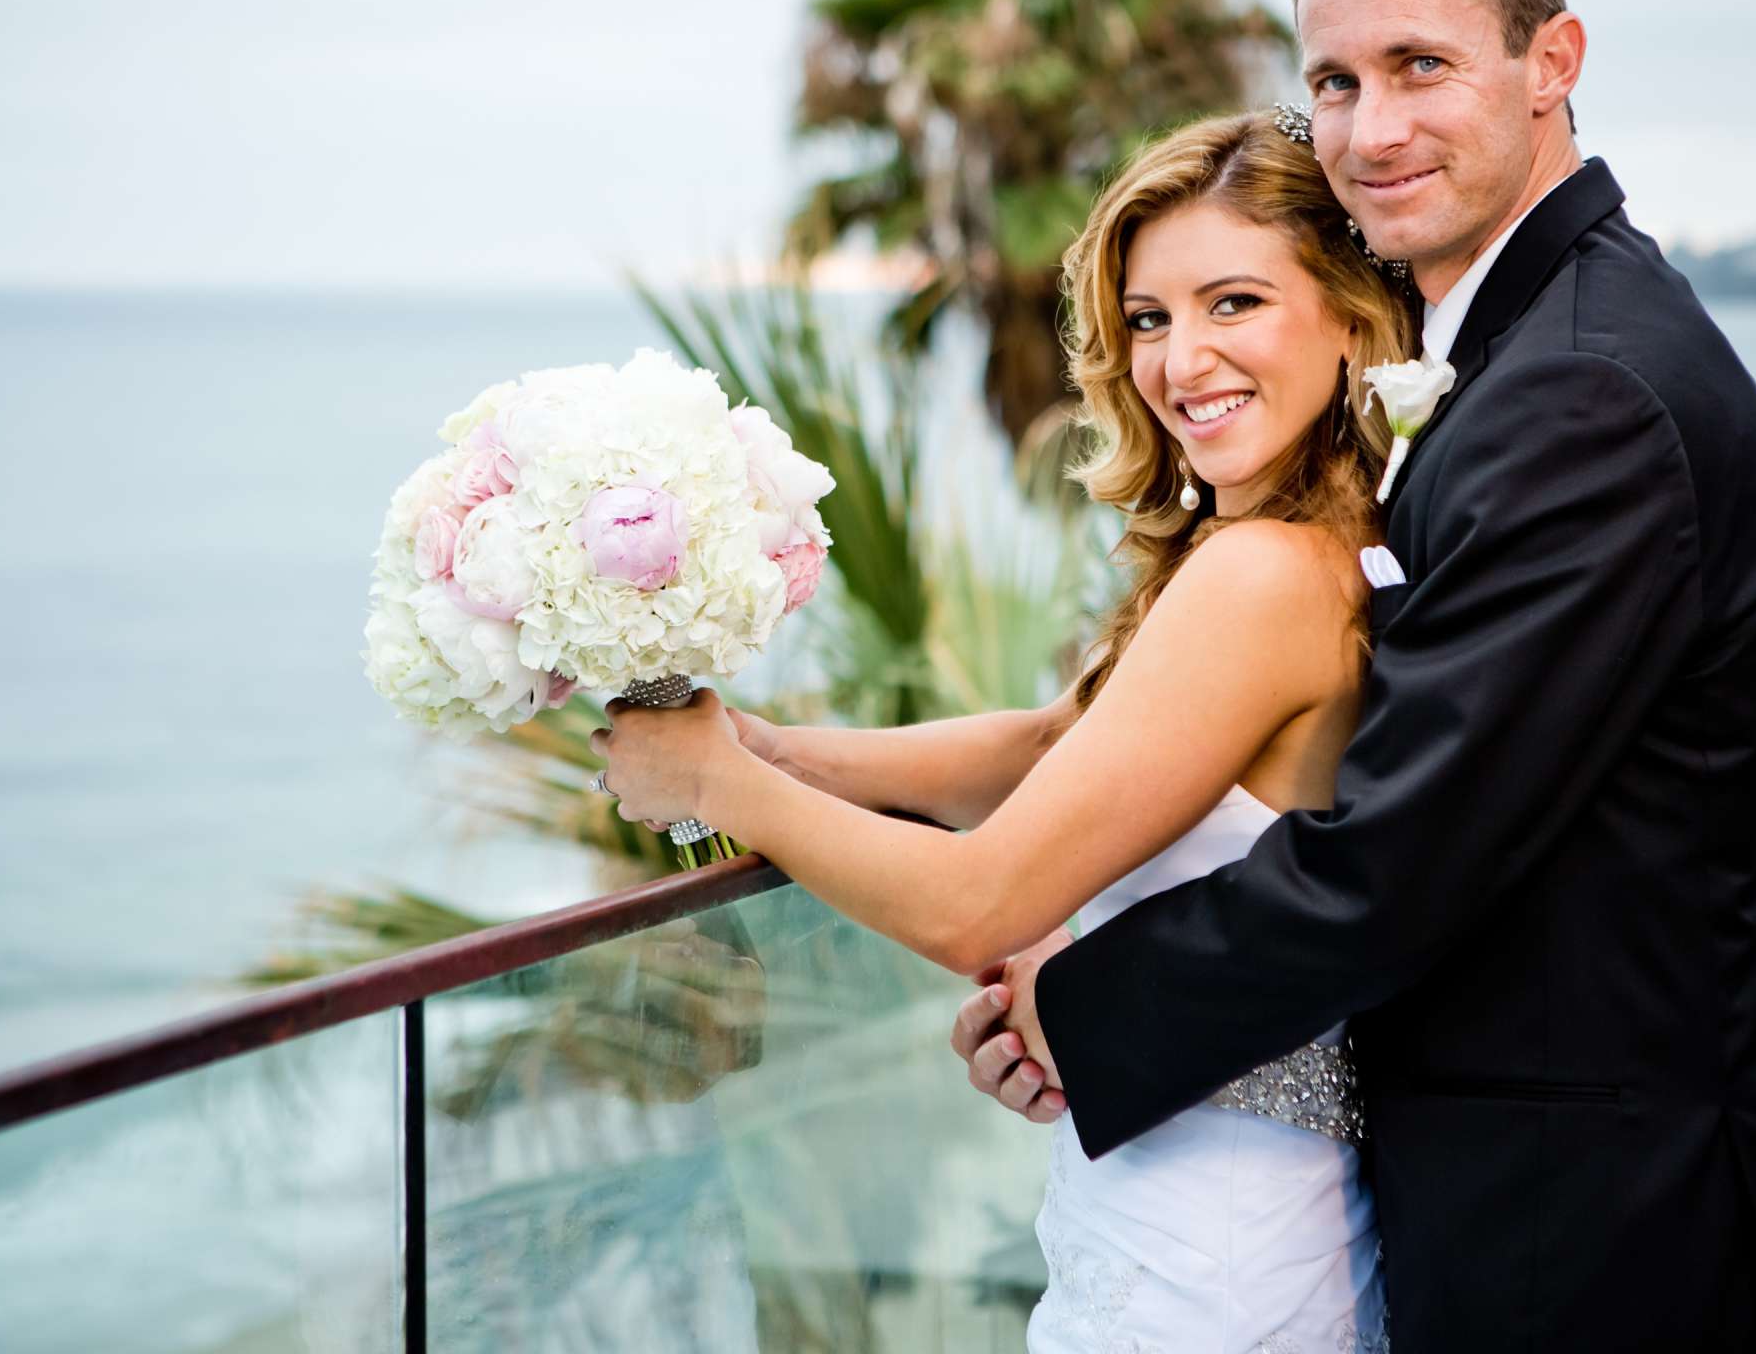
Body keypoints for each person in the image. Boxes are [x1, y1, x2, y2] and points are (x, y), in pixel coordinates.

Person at [947, 0, 1756, 1347]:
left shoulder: (1582, 391)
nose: (1372, 129)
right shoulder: (1516, 343)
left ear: (1552, 61)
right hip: (1500, 1191)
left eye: (1421, 66)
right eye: (1336, 81)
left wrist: (1086, 1007)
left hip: (1599, 1235)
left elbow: (1399, 861)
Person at [594, 106, 1415, 1350]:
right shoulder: (1298, 552)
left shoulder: (1268, 577)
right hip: (1185, 1180)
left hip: (1219, 1249)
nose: (1182, 359)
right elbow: (1053, 744)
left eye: (1233, 303)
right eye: (1149, 318)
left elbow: (977, 904)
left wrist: (719, 783)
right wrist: (772, 748)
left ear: (1350, 314)